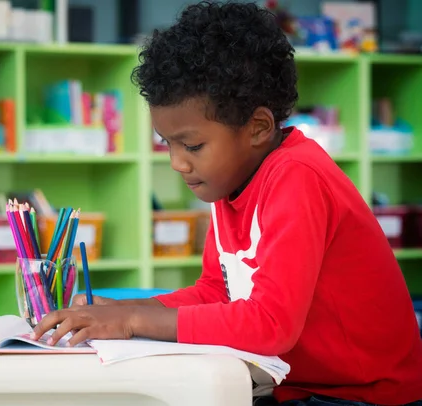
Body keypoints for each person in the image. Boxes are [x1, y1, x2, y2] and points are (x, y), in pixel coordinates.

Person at [30, 1, 422, 404]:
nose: (178, 162)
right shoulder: (230, 179)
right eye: (168, 143)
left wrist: (132, 319)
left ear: (257, 128)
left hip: (366, 396)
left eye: (193, 145)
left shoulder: (296, 177)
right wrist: (121, 310)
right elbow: (217, 293)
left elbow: (272, 324)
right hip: (301, 388)